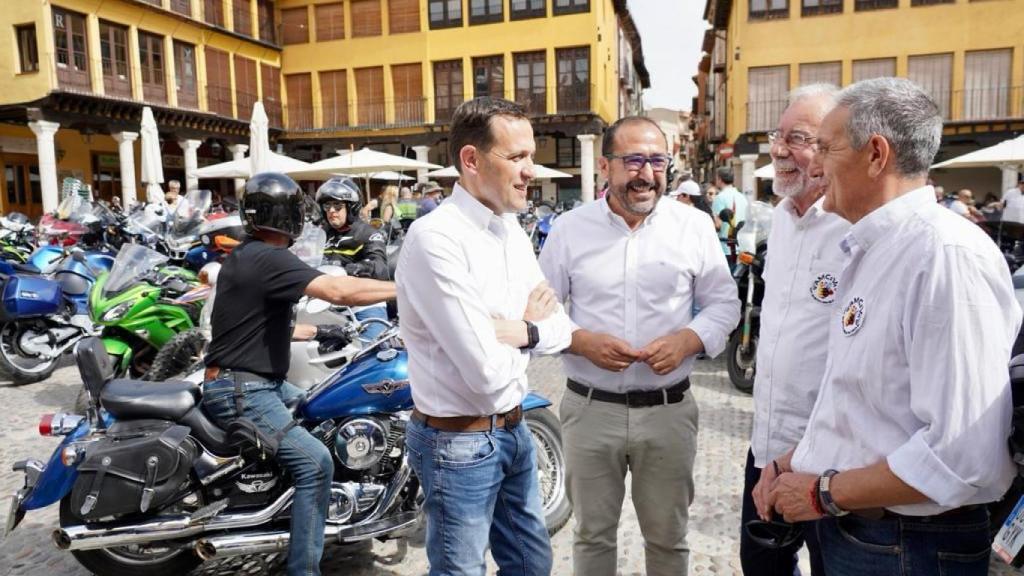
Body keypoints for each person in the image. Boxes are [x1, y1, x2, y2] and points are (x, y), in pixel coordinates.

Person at [757, 77, 1022, 576]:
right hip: (871, 535)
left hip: (907, 544)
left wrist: (822, 492)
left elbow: (964, 455)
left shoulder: (943, 256)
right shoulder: (875, 247)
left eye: (827, 148)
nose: (813, 164)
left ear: (876, 155)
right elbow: (864, 404)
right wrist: (791, 461)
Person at [539, 116, 740, 576]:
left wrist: (688, 339)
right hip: (589, 410)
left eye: (656, 161)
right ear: (606, 167)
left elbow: (723, 305)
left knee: (669, 540)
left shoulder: (694, 227)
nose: (646, 174)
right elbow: (540, 309)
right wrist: (580, 340)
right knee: (591, 536)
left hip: (668, 410)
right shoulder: (570, 229)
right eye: (633, 161)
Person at [396, 97, 575, 576]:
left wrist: (515, 329)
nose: (531, 170)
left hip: (514, 429)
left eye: (530, 156)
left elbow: (560, 326)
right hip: (459, 443)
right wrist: (531, 333)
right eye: (516, 157)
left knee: (531, 565)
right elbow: (484, 376)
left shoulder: (511, 229)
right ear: (471, 160)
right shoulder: (437, 239)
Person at [202, 172, 397, 576]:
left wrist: (325, 331)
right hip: (245, 389)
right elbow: (340, 291)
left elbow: (260, 325)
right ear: (289, 216)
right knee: (316, 463)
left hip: (250, 381)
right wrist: (409, 288)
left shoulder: (246, 254)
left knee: (328, 411)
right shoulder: (269, 257)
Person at [741, 84, 846, 576]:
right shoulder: (779, 221)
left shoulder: (855, 227)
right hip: (766, 447)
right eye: (776, 136)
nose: (779, 150)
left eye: (797, 138)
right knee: (762, 565)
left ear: (830, 149)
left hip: (830, 461)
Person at [316, 177, 391, 337]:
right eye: (327, 206)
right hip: (326, 307)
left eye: (337, 206)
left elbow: (380, 268)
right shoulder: (320, 234)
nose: (331, 211)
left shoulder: (368, 233)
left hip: (363, 306)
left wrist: (357, 268)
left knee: (370, 353)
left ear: (351, 207)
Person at [711, 167, 748, 263]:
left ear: (719, 179)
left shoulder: (719, 198)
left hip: (725, 247)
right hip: (740, 246)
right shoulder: (742, 197)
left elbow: (718, 224)